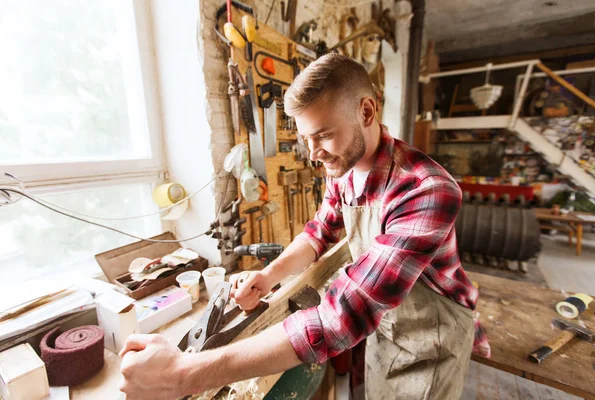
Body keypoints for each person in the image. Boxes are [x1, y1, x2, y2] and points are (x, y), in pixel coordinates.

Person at [118, 53, 490, 400]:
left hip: (431, 336)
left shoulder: (426, 190)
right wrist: (268, 276)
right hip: (387, 324)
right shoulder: (343, 167)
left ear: (366, 111)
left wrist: (183, 374)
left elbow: (342, 317)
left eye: (324, 134)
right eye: (306, 138)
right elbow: (320, 230)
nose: (314, 153)